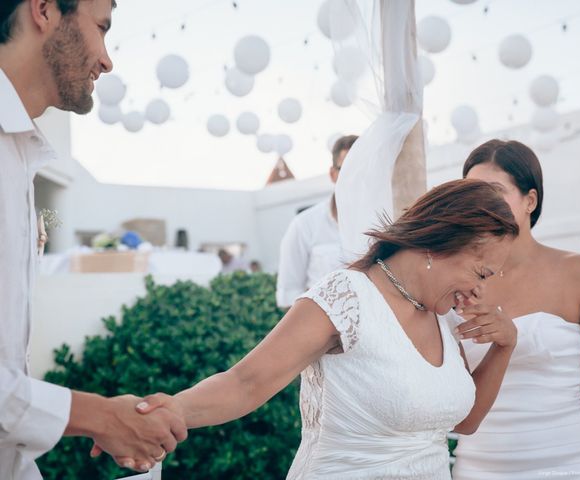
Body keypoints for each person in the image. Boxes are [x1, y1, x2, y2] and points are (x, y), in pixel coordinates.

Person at [123, 179, 522, 479]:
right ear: (439, 244)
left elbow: (462, 422)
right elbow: (246, 383)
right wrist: (172, 410)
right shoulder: (347, 297)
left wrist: (504, 346)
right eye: (481, 272)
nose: (480, 289)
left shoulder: (442, 314)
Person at [0, 1, 186, 477]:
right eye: (101, 28)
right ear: (43, 9)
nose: (107, 59)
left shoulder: (20, 155)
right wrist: (101, 417)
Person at [452, 139, 580, 479]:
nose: (481, 205)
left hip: (569, 463)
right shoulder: (453, 281)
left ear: (530, 200)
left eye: (494, 191)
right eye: (471, 193)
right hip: (478, 468)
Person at [276, 134, 358, 308]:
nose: (356, 177)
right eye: (348, 169)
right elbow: (288, 296)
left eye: (363, 169)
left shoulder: (387, 222)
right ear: (333, 174)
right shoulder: (304, 225)